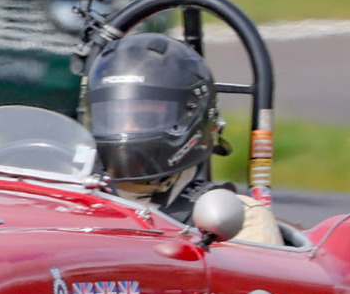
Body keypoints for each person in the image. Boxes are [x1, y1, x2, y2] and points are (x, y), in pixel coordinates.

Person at [84, 32, 281, 244]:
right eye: (113, 117)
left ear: (191, 117)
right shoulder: (72, 199)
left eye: (143, 116)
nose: (127, 128)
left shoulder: (238, 219)